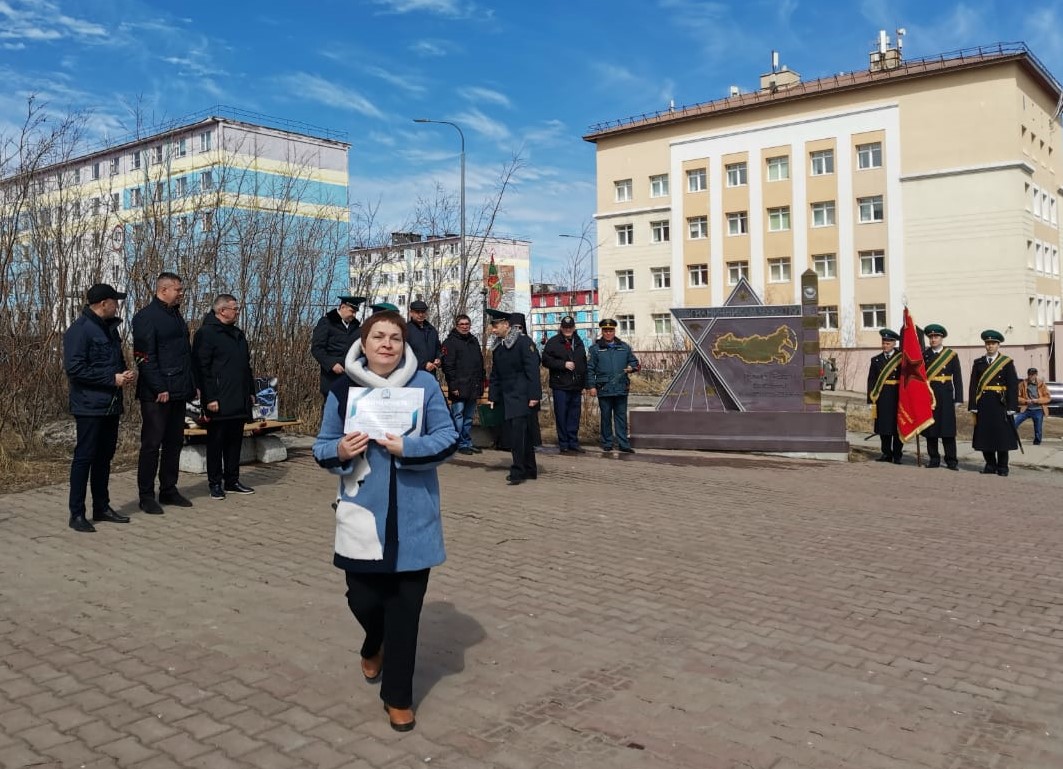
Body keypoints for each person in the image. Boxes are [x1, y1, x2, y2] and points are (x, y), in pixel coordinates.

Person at [313, 311, 457, 733]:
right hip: (362, 519)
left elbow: (448, 437)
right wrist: (341, 450)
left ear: (403, 344)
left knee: (405, 612)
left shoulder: (424, 384)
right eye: (378, 336)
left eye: (395, 337)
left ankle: (398, 697)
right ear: (364, 343)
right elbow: (321, 446)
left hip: (414, 520)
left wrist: (408, 448)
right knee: (362, 600)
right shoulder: (344, 388)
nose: (387, 344)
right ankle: (373, 641)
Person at [63, 284, 138, 533]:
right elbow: (75, 369)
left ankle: (101, 507)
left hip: (110, 404)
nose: (118, 306)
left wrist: (124, 373)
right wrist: (111, 379)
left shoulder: (109, 329)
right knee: (84, 458)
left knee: (104, 457)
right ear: (104, 303)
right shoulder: (79, 330)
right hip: (89, 405)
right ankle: (76, 513)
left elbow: (114, 361)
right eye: (115, 301)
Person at [132, 272, 196, 514]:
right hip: (156, 394)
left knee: (174, 442)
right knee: (152, 444)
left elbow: (183, 354)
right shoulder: (146, 317)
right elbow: (144, 357)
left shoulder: (175, 315)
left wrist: (191, 384)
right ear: (164, 290)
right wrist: (159, 387)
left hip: (178, 389)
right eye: (178, 289)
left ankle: (169, 489)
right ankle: (146, 495)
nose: (181, 293)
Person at [192, 294, 256, 500]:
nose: (237, 312)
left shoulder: (238, 334)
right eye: (235, 309)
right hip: (218, 399)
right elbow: (201, 368)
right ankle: (215, 483)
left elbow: (245, 366)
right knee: (216, 442)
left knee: (235, 442)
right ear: (222, 311)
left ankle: (232, 480)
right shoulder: (206, 333)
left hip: (239, 397)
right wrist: (209, 398)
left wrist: (251, 391)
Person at [486, 309, 542, 484]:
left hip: (522, 396)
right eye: (493, 326)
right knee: (520, 435)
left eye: (496, 326)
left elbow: (532, 371)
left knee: (518, 436)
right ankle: (530, 469)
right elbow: (495, 374)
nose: (493, 329)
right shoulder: (498, 346)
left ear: (506, 325)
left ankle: (518, 471)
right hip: (507, 396)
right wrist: (493, 396)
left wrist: (534, 395)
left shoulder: (523, 342)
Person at [969, 329, 1019, 476]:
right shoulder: (978, 363)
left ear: (998, 345)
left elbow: (1013, 385)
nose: (990, 346)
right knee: (985, 436)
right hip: (984, 403)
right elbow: (973, 385)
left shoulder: (1006, 363)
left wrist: (1012, 406)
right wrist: (973, 405)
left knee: (1002, 436)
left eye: (993, 343)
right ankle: (990, 465)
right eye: (988, 343)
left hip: (1000, 404)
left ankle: (1003, 467)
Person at [587, 318, 640, 454]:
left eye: (610, 330)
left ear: (614, 331)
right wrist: (591, 386)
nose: (608, 333)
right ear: (602, 331)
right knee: (605, 417)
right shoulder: (595, 349)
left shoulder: (624, 347)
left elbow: (634, 362)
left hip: (621, 387)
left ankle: (623, 444)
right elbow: (590, 369)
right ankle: (607, 443)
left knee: (621, 417)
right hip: (604, 388)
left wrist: (632, 367)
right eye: (606, 330)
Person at [541, 315, 588, 454]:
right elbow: (545, 361)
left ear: (574, 328)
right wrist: (563, 364)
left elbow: (583, 364)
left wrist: (584, 384)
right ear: (561, 328)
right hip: (560, 385)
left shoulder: (578, 342)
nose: (568, 330)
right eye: (565, 327)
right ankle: (563, 443)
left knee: (574, 416)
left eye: (570, 327)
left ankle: (573, 442)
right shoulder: (553, 342)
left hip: (576, 385)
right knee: (561, 415)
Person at [441, 314, 484, 455]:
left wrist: (481, 382)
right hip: (459, 386)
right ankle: (456, 442)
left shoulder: (473, 341)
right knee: (458, 416)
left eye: (467, 324)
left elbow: (480, 363)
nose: (465, 327)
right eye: (462, 324)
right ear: (457, 326)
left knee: (469, 417)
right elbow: (448, 366)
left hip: (473, 386)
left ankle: (466, 442)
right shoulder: (450, 342)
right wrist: (453, 386)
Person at [921, 323, 963, 470]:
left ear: (941, 338)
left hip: (946, 395)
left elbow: (957, 377)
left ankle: (951, 461)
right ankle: (934, 459)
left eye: (936, 337)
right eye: (931, 337)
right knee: (931, 429)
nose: (933, 339)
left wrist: (958, 398)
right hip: (929, 396)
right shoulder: (924, 355)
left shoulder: (951, 355)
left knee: (947, 430)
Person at [311, 295, 364, 401]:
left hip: (351, 379)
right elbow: (317, 348)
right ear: (342, 307)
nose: (354, 315)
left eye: (355, 312)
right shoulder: (327, 322)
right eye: (352, 311)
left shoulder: (356, 327)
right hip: (332, 378)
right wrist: (332, 364)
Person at [867, 328, 903, 464]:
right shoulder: (876, 360)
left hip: (897, 397)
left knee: (898, 428)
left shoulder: (901, 358)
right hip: (882, 397)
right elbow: (871, 380)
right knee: (884, 427)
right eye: (883, 343)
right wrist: (870, 400)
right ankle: (887, 453)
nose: (885, 345)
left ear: (894, 343)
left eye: (888, 343)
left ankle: (897, 455)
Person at [1014, 367, 1050, 446]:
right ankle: (1013, 440)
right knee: (1015, 423)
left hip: (1038, 409)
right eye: (1029, 374)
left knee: (1038, 429)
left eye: (1033, 375)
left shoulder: (1041, 384)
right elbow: (1017, 397)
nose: (1031, 376)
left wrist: (1037, 400)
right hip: (1026, 409)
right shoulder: (1022, 384)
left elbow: (1048, 398)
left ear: (1036, 375)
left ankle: (1037, 443)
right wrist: (1025, 401)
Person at [407, 300, 441, 374]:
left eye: (423, 312)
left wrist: (438, 358)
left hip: (431, 372)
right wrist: (423, 364)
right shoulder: (406, 330)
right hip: (414, 373)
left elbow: (438, 348)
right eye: (417, 312)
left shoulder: (432, 330)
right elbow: (405, 353)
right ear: (411, 313)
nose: (420, 315)